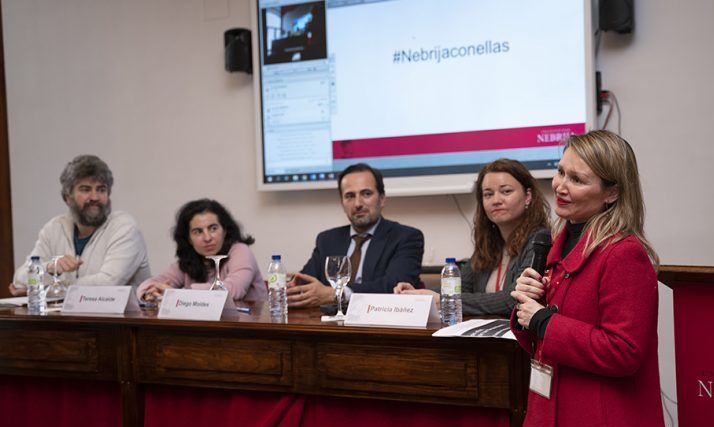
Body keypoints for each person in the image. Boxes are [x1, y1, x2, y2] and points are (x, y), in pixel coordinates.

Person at [510, 130, 667, 427]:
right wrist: (526, 311)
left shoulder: (623, 254)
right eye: (561, 171)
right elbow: (542, 343)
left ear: (611, 193)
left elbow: (624, 351)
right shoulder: (557, 241)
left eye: (577, 179)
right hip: (552, 423)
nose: (560, 186)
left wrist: (543, 322)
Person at [394, 159, 550, 316]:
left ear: (528, 196)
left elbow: (513, 300)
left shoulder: (539, 241)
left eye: (506, 191)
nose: (496, 200)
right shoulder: (490, 243)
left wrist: (444, 300)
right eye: (488, 194)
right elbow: (460, 286)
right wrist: (419, 294)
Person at [287, 163, 424, 308]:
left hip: (380, 324)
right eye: (350, 196)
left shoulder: (406, 237)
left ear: (382, 199)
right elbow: (305, 283)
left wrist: (338, 294)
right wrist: (292, 289)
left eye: (366, 194)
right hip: (329, 324)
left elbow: (396, 288)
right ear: (342, 203)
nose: (358, 203)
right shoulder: (327, 240)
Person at [10, 155, 150, 294]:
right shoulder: (54, 228)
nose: (95, 197)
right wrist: (51, 267)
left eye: (101, 190)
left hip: (118, 316)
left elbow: (106, 285)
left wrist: (44, 289)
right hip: (64, 315)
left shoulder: (124, 227)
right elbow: (19, 278)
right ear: (67, 197)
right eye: (85, 189)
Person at [137, 199, 266, 303]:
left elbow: (235, 289)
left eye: (213, 228)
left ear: (225, 230)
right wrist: (151, 292)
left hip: (248, 328)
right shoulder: (191, 259)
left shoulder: (240, 251)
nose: (207, 238)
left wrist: (180, 294)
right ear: (189, 238)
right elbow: (152, 283)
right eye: (198, 232)